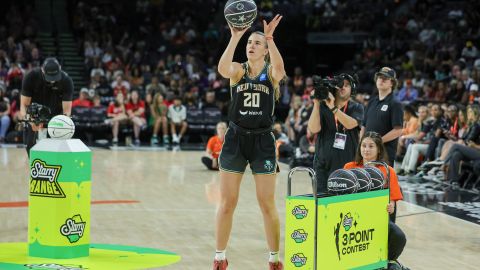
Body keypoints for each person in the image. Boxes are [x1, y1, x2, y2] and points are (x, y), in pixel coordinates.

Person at [214, 14, 286, 270]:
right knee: (227, 203)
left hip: (263, 141)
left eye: (257, 43)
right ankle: (220, 257)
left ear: (265, 50)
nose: (251, 46)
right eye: (250, 43)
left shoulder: (271, 72)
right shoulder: (239, 70)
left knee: (266, 203)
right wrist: (235, 37)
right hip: (235, 138)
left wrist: (270, 38)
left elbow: (280, 70)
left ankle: (274, 258)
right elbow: (223, 69)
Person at [344, 131, 409, 270]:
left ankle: (388, 262)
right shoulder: (349, 167)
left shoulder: (387, 170)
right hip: (354, 219)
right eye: (364, 145)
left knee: (399, 237)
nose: (366, 149)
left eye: (371, 146)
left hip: (378, 219)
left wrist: (391, 205)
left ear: (379, 149)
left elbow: (392, 196)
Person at [307, 74, 364, 194]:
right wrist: (316, 103)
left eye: (347, 85)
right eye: (340, 84)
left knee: (344, 206)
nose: (343, 87)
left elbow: (350, 124)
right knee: (321, 204)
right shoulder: (322, 106)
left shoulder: (357, 107)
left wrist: (333, 108)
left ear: (352, 89)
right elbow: (313, 129)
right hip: (323, 165)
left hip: (347, 165)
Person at [20, 58, 74, 155]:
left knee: (56, 154)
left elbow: (67, 111)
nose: (52, 80)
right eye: (50, 76)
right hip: (35, 116)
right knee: (32, 152)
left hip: (56, 119)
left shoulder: (66, 81)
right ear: (42, 70)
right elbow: (24, 105)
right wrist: (30, 120)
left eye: (55, 76)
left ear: (60, 69)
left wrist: (62, 125)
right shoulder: (31, 76)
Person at [360, 67, 404, 166]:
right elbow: (363, 125)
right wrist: (362, 143)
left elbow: (398, 130)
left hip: (385, 153)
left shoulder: (395, 103)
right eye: (380, 77)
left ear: (392, 83)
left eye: (386, 78)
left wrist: (377, 142)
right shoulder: (371, 102)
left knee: (382, 180)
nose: (382, 80)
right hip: (367, 153)